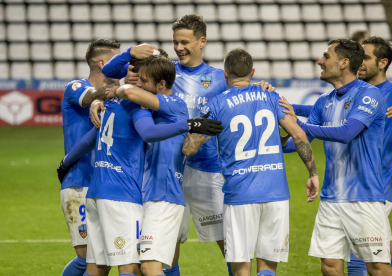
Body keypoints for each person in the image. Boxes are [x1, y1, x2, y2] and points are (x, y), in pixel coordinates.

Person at [97, 14, 275, 276]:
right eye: (175, 42)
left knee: (229, 245)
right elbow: (112, 74)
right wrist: (128, 54)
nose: (179, 47)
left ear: (201, 41)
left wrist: (260, 87)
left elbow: (240, 92)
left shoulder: (218, 77)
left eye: (184, 42)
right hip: (165, 169)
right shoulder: (162, 72)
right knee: (167, 247)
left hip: (206, 170)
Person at [183, 48, 319, 276]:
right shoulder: (271, 96)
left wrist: (192, 127)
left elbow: (189, 148)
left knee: (241, 269)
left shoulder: (217, 105)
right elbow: (298, 136)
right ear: (253, 72)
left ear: (225, 74)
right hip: (276, 193)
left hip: (240, 195)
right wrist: (312, 173)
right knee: (267, 269)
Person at [284, 36, 392, 276]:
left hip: (364, 196)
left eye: (326, 56)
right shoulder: (324, 102)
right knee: (330, 266)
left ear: (344, 63)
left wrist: (297, 124)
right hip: (331, 197)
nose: (319, 61)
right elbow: (297, 143)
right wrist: (273, 138)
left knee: (377, 268)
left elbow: (346, 133)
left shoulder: (370, 95)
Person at [104, 54, 190, 276]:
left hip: (164, 195)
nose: (138, 83)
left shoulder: (175, 104)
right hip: (146, 195)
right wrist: (98, 101)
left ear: (161, 84)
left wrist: (119, 89)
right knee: (145, 266)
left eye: (144, 80)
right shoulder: (148, 108)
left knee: (151, 266)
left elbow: (131, 93)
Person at [58, 38, 124, 276]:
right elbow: (88, 96)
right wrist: (100, 98)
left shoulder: (119, 97)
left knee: (103, 259)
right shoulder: (75, 87)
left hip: (108, 183)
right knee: (88, 259)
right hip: (79, 180)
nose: (124, 66)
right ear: (102, 63)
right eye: (119, 60)